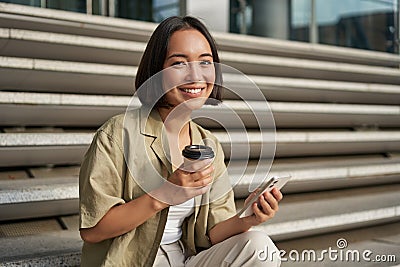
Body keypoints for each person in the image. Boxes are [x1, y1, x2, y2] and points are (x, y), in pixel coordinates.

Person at [79, 16, 282, 267]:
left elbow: (212, 233)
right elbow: (93, 230)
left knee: (259, 247)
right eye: (179, 63)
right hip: (132, 261)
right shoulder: (117, 134)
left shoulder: (208, 144)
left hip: (182, 260)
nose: (195, 75)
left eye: (205, 62)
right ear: (157, 71)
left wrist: (249, 218)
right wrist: (164, 194)